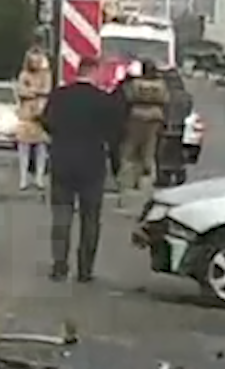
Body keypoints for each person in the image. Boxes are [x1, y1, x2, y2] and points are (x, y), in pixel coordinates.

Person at [39, 56, 126, 282]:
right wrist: (115, 165)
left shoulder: (59, 96)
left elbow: (46, 121)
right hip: (92, 164)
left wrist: (61, 137)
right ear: (94, 71)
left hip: (62, 161)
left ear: (78, 71)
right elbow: (115, 133)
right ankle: (85, 270)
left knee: (61, 216)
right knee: (90, 219)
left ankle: (59, 266)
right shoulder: (104, 101)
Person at [116, 59, 169, 197]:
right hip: (154, 118)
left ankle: (127, 181)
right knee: (149, 150)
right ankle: (145, 180)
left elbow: (129, 97)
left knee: (130, 150)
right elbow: (165, 99)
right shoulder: (161, 85)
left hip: (136, 116)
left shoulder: (135, 84)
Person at [14, 49, 53, 190]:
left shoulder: (46, 75)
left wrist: (31, 90)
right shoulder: (23, 75)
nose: (35, 64)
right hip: (26, 116)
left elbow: (47, 90)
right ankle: (23, 179)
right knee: (23, 147)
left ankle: (39, 179)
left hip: (41, 116)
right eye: (32, 61)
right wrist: (36, 91)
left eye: (37, 61)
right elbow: (21, 91)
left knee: (41, 148)